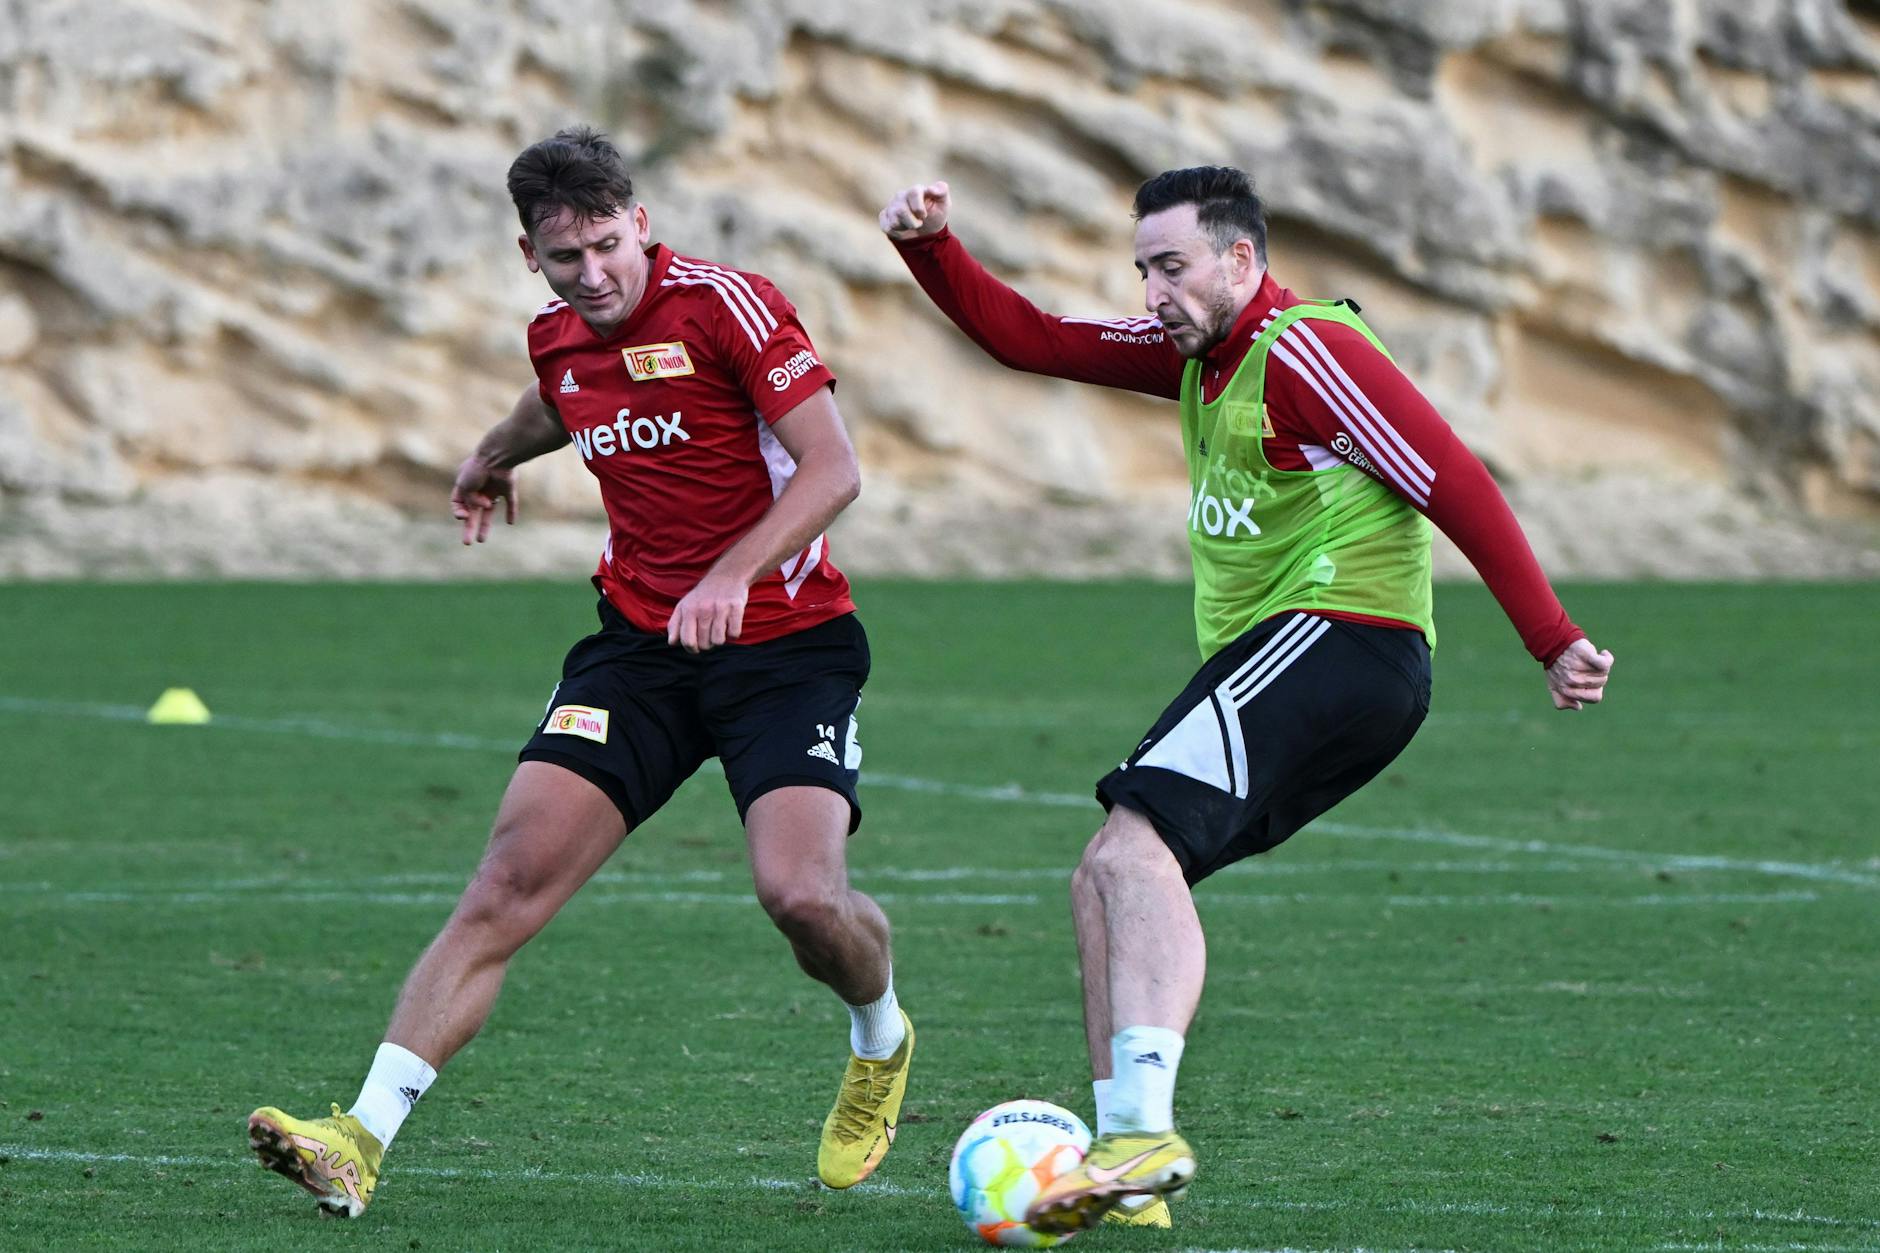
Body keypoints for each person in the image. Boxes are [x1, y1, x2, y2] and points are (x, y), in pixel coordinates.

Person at [879, 168, 1614, 1233]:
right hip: (1290, 654)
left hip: (1342, 637)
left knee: (1133, 850)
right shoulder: (1196, 351)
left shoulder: (1306, 348)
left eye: (1169, 266)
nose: (1149, 291)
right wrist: (931, 249)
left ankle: (1142, 1130)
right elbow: (1028, 338)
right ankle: (1125, 1166)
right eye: (1140, 269)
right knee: (1103, 874)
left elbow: (1450, 475)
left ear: (1240, 259)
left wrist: (1550, 637)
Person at [246, 126, 914, 1217]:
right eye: (567, 257)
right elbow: (562, 398)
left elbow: (835, 467)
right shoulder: (556, 335)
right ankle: (358, 1135)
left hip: (787, 645)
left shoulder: (728, 307)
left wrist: (730, 574)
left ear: (640, 225)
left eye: (608, 245)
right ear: (531, 256)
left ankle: (878, 1037)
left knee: (799, 894)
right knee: (505, 882)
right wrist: (489, 456)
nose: (594, 274)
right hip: (638, 651)